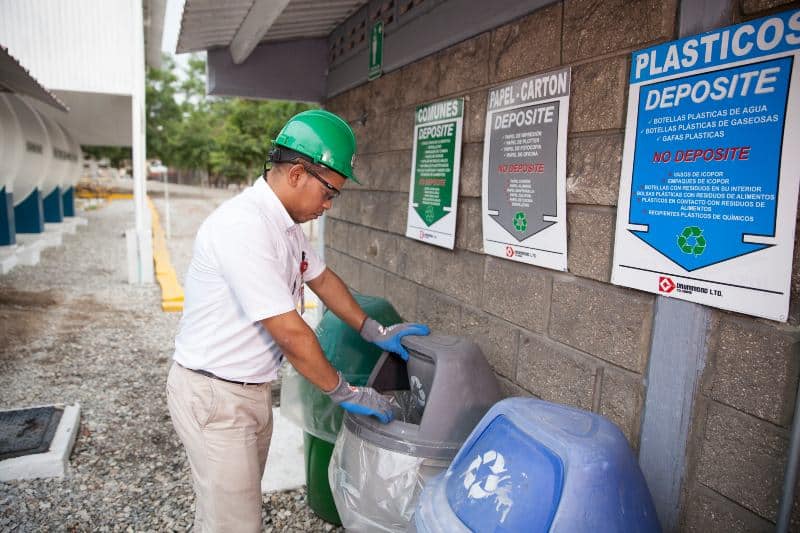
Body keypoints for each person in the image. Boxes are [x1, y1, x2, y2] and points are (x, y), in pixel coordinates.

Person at [165, 109, 430, 532]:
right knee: (236, 526)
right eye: (329, 193)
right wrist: (345, 391)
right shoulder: (244, 226)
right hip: (216, 395)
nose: (328, 205)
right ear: (296, 174)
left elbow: (322, 279)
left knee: (223, 517)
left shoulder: (285, 225)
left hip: (246, 392)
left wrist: (373, 329)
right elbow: (290, 332)